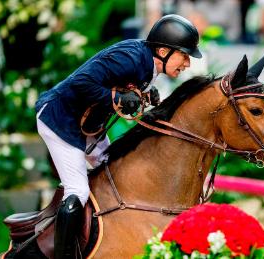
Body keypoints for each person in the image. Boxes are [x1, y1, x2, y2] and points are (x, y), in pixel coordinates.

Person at [35, 14, 201, 258]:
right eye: (184, 55)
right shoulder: (131, 58)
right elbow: (81, 82)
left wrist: (144, 95)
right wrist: (117, 99)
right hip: (59, 120)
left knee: (111, 171)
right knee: (77, 191)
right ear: (164, 51)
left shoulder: (149, 64)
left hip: (87, 125)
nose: (187, 63)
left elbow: (120, 86)